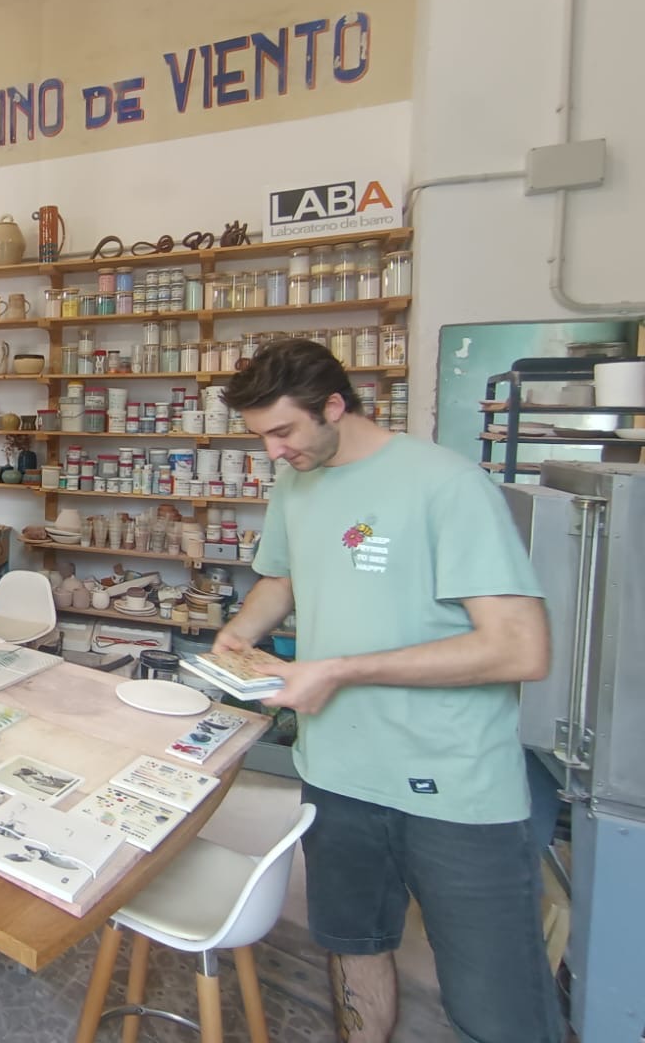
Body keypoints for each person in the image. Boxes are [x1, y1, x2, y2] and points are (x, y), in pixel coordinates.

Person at [213, 338, 560, 1043]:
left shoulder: (446, 484)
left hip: (454, 786)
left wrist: (340, 668)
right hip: (338, 772)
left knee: (496, 1006)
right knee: (353, 945)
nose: (274, 451)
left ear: (335, 404)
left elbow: (521, 646)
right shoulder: (296, 484)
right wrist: (238, 636)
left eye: (283, 431)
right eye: (260, 437)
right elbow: (282, 577)